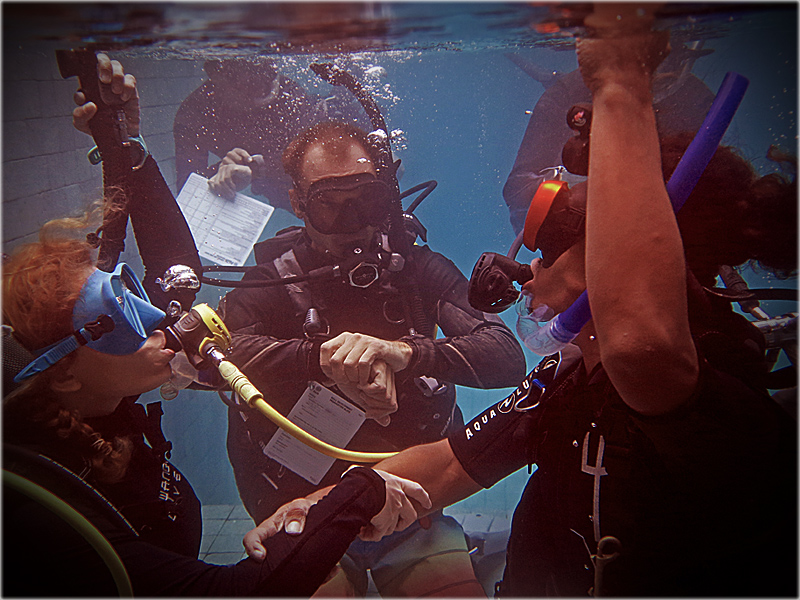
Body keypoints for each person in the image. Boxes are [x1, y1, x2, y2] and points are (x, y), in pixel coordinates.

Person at [254, 6, 798, 596]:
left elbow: (639, 339)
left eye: (551, 245)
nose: (527, 266)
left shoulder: (703, 388)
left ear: (618, 259)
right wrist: (322, 505)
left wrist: (619, 84)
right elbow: (447, 463)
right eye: (331, 201)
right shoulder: (566, 382)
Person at [2, 53, 431, 598]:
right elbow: (240, 590)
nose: (160, 317)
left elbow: (175, 274)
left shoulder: (95, 403)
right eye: (119, 316)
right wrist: (359, 493)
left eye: (131, 292)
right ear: (63, 373)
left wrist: (124, 145)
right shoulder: (40, 506)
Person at [215, 117, 527, 595]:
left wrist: (405, 352)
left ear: (387, 197)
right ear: (298, 203)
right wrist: (323, 358)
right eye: (329, 206)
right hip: (298, 507)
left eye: (368, 200)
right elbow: (221, 353)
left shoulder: (418, 269)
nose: (353, 222)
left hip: (409, 503)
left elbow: (505, 356)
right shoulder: (273, 280)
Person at [502, 34, 715, 235]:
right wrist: (579, 185)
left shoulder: (696, 100)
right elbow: (518, 192)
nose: (655, 79)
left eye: (666, 62)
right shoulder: (567, 93)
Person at [173, 57, 364, 212]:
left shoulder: (290, 96)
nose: (259, 95)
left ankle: (340, 100)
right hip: (268, 181)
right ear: (215, 74)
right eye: (246, 86)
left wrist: (254, 167)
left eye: (264, 84)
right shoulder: (194, 113)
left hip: (287, 168)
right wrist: (222, 174)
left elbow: (308, 158)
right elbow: (188, 187)